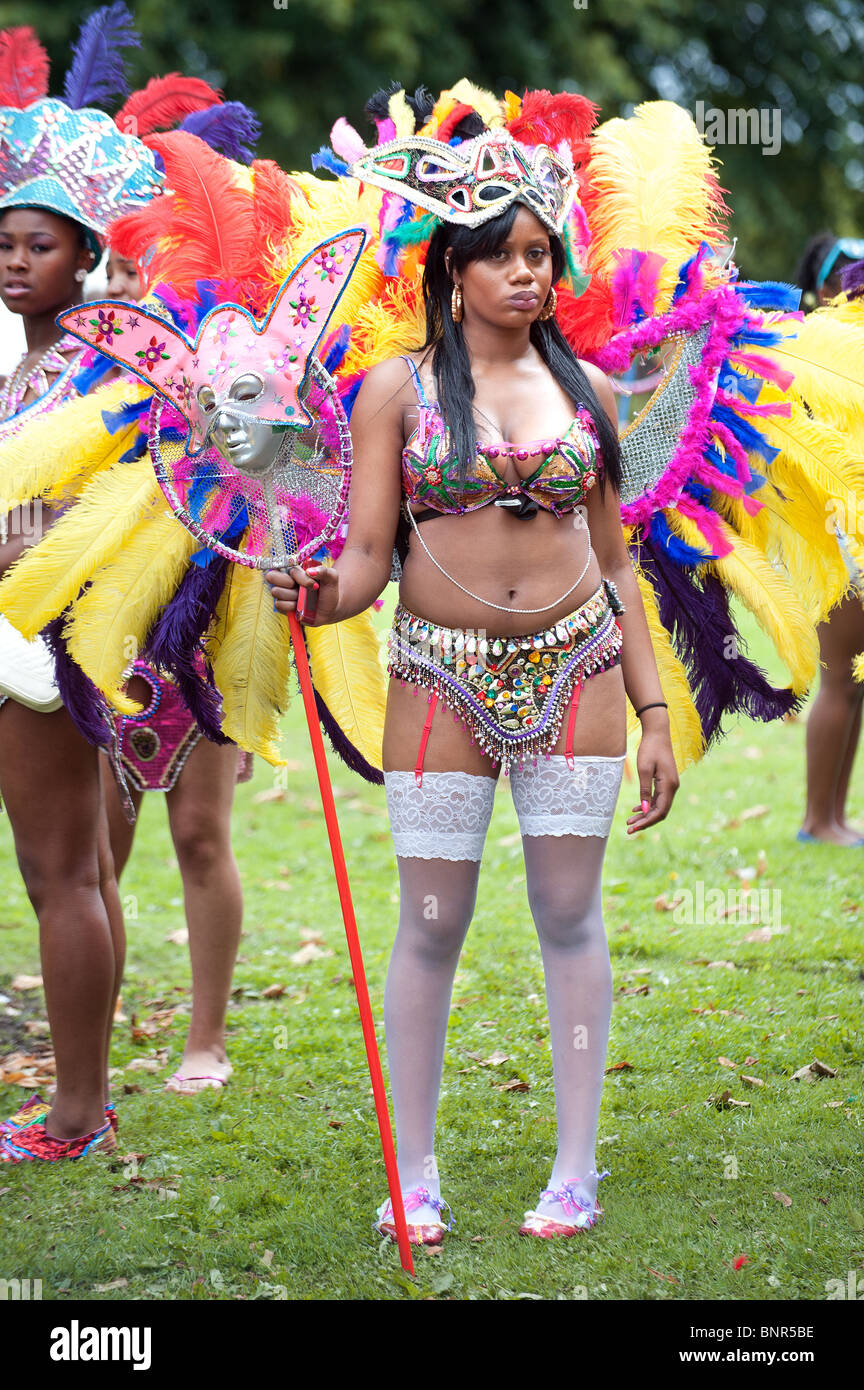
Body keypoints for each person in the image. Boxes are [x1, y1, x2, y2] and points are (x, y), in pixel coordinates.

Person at [268, 124, 680, 1241]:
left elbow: (620, 558)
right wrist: (318, 593)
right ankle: (416, 1174)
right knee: (432, 924)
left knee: (566, 911)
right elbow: (365, 557)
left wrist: (652, 710)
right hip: (436, 679)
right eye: (503, 253)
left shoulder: (590, 387)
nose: (528, 271)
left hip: (580, 670)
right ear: (453, 268)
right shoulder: (394, 392)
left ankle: (577, 1169)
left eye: (543, 252)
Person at [0, 19, 165, 1161]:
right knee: (60, 870)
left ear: (87, 255)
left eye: (39, 246)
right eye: (4, 243)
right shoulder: (18, 362)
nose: (15, 261)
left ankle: (77, 1107)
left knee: (68, 873)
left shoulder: (109, 362)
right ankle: (79, 1100)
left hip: (52, 640)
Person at [97, 250, 247, 1095]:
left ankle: (206, 1040)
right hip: (99, 642)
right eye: (112, 268)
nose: (124, 285)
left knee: (199, 836)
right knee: (96, 854)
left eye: (141, 266)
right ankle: (95, 1033)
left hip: (201, 637)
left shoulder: (218, 368)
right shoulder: (74, 381)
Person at [795, 235, 864, 846]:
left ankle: (836, 817)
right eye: (847, 277)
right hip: (836, 539)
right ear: (822, 292)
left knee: (855, 680)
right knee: (841, 676)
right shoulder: (809, 353)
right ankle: (819, 820)